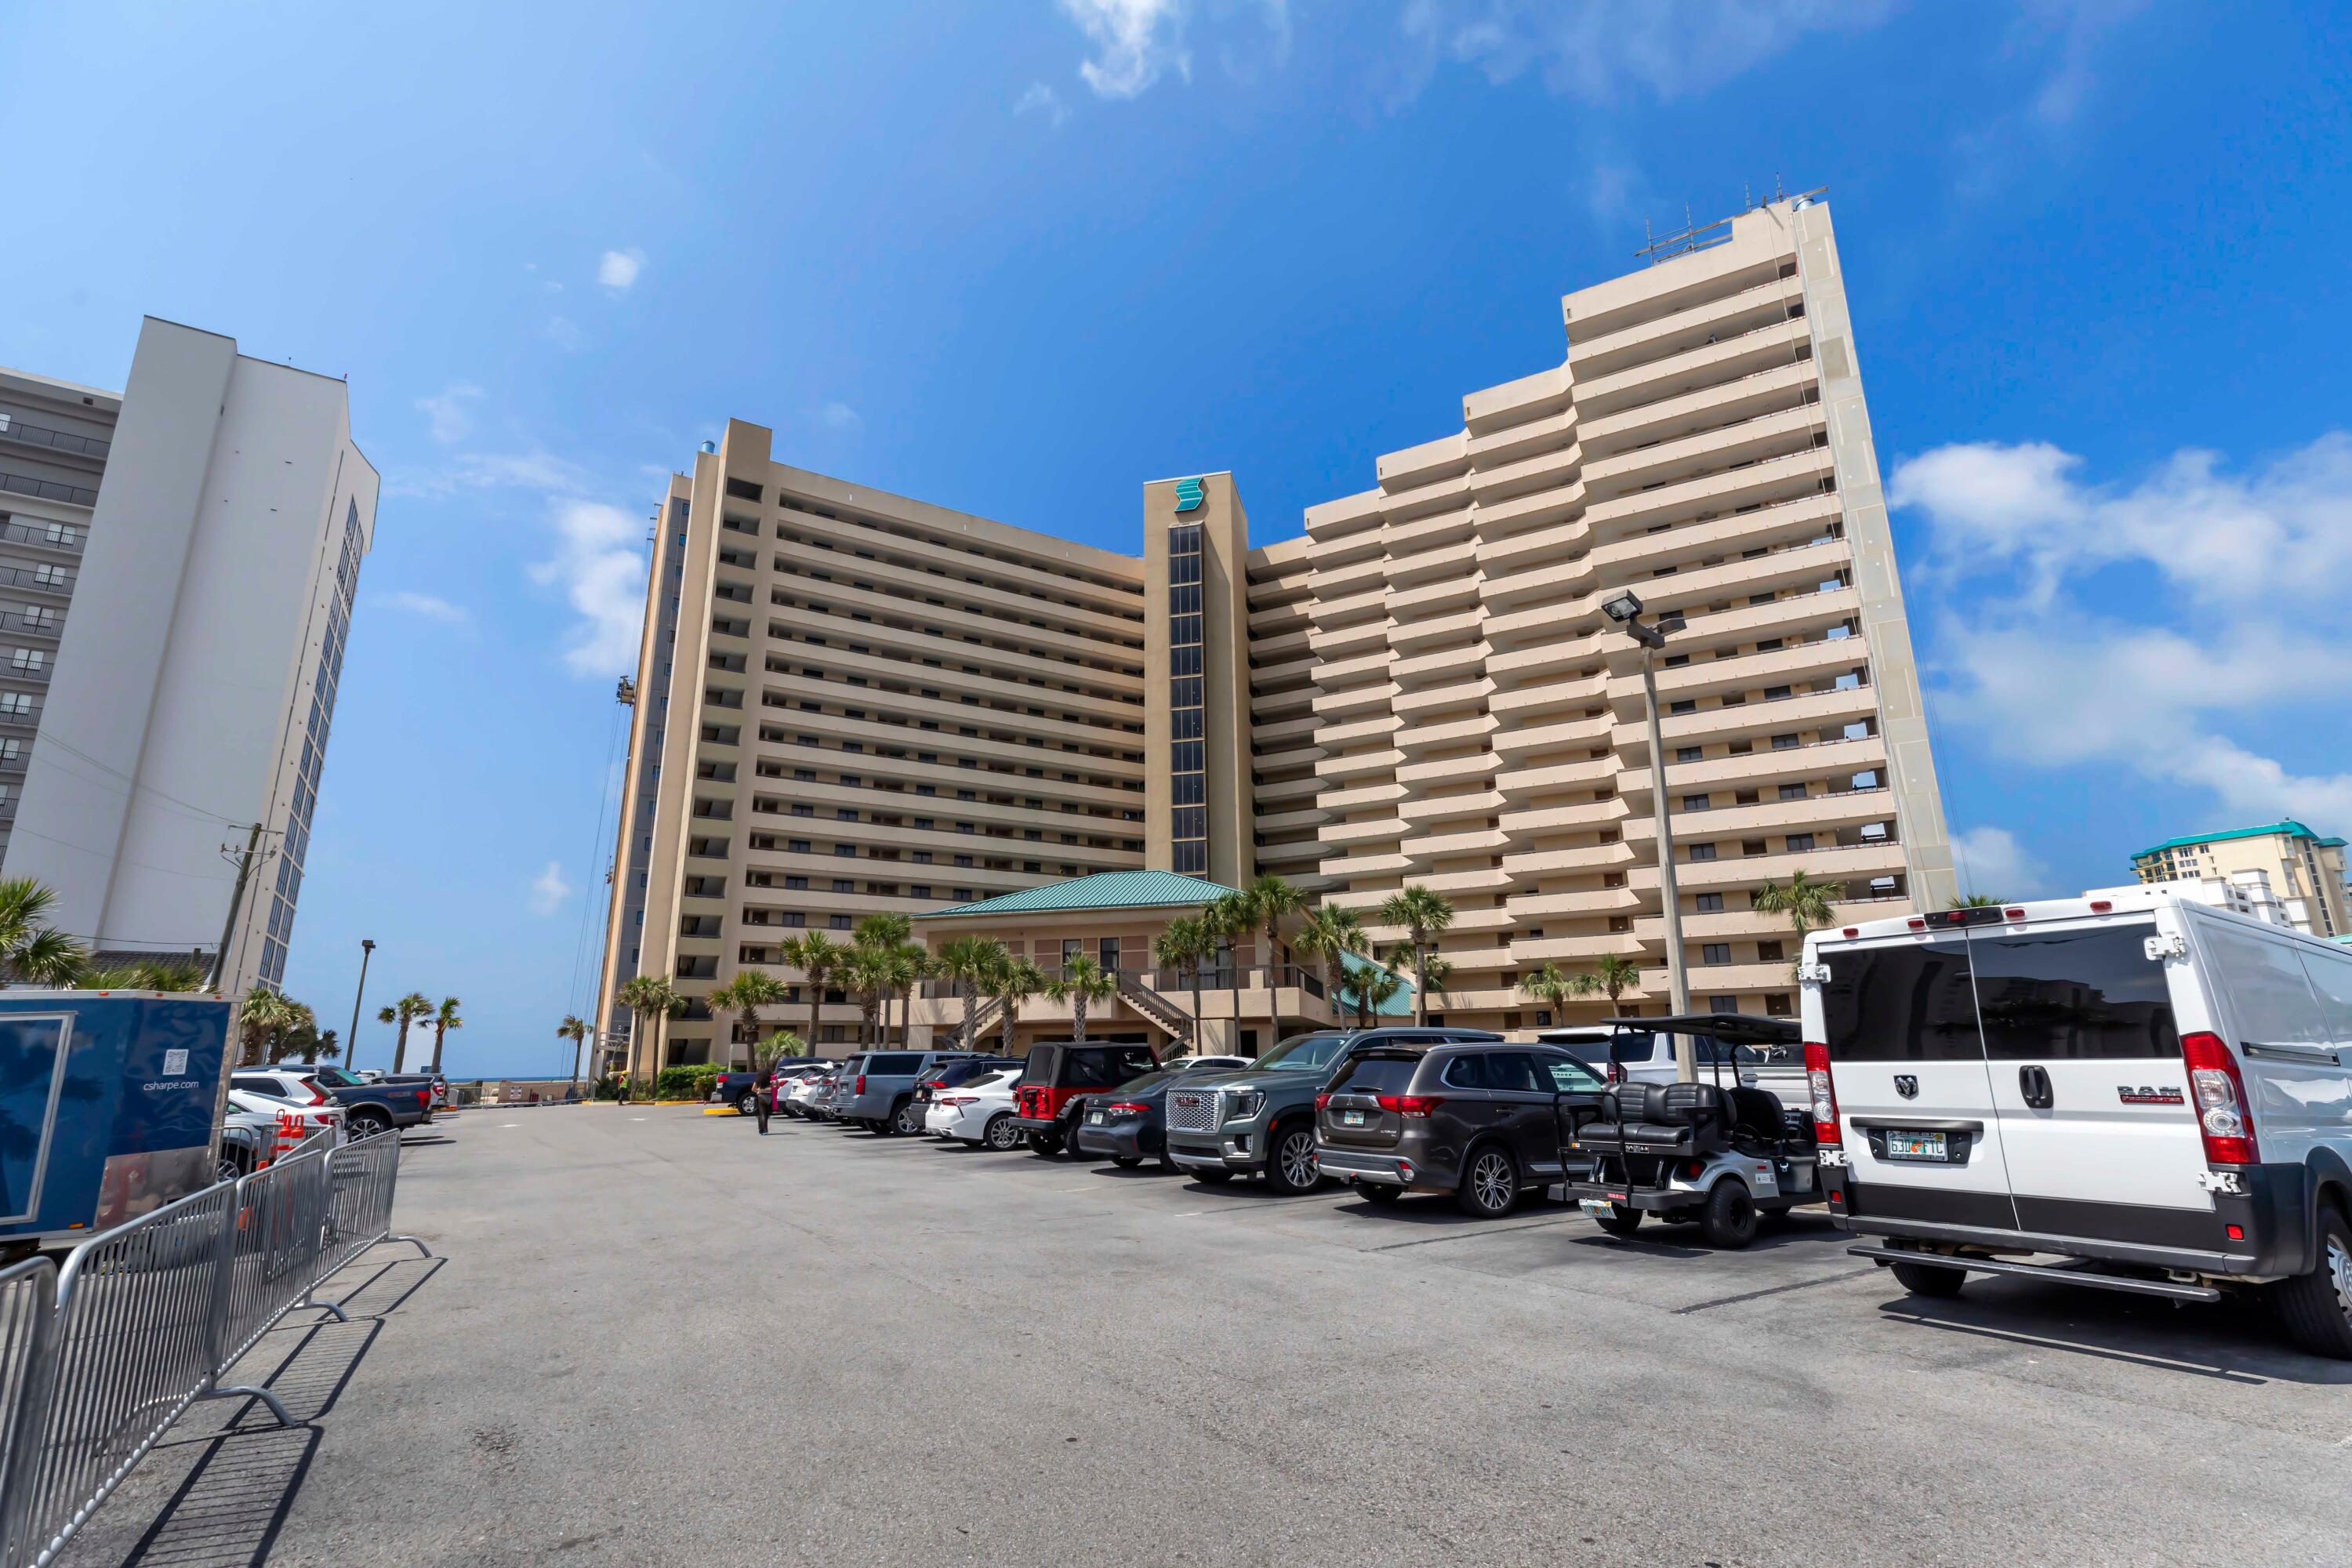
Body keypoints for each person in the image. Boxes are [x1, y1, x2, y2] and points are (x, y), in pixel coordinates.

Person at [753, 1069, 773, 1134]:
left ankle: (764, 1130)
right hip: (770, 1097)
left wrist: (759, 1091)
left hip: (761, 1097)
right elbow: (777, 1087)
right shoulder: (772, 1080)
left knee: (762, 1114)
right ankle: (762, 1130)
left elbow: (753, 1089)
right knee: (766, 1114)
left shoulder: (759, 1080)